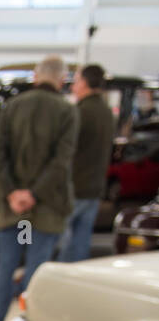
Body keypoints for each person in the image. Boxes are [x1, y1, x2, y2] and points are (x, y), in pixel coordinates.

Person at [0, 55, 78, 321]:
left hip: (12, 208)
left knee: (6, 267)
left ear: (36, 77)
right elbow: (61, 162)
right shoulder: (67, 111)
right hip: (46, 208)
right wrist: (34, 195)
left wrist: (13, 193)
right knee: (36, 273)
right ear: (61, 80)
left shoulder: (13, 107)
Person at [58, 64, 115, 263]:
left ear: (84, 83)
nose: (73, 85)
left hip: (75, 187)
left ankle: (60, 284)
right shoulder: (107, 112)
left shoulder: (80, 112)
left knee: (63, 243)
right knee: (81, 243)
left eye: (76, 80)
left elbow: (66, 150)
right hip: (95, 187)